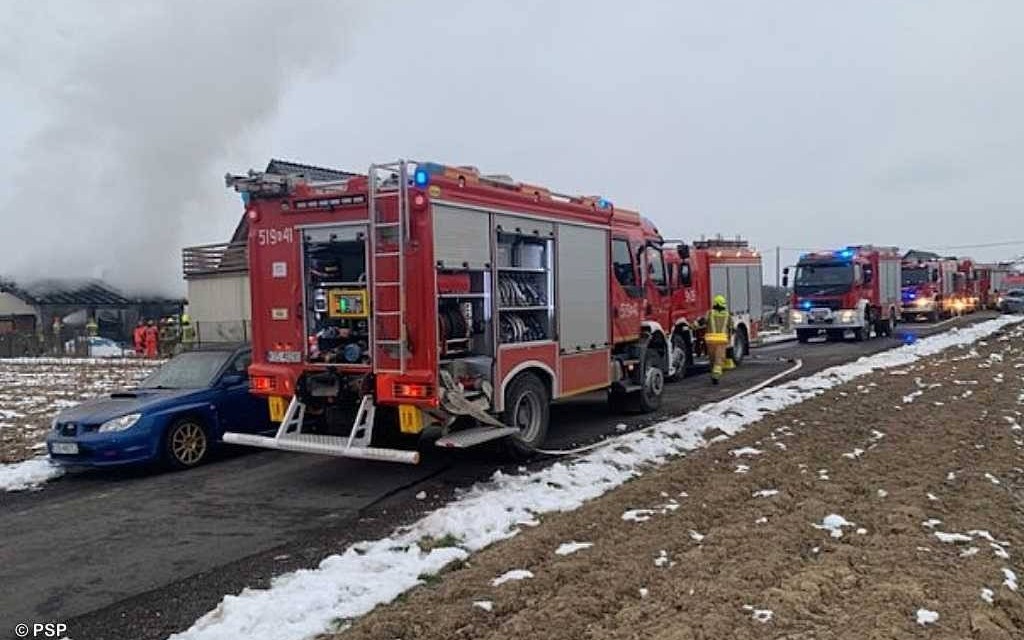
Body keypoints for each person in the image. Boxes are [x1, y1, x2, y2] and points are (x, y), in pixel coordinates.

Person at [704, 294, 734, 385]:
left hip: (710, 341)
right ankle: (715, 376)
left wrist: (690, 326)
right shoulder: (727, 315)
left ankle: (713, 372)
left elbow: (702, 321)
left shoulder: (710, 313)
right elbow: (731, 327)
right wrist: (729, 337)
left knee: (712, 359)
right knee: (719, 359)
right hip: (721, 341)